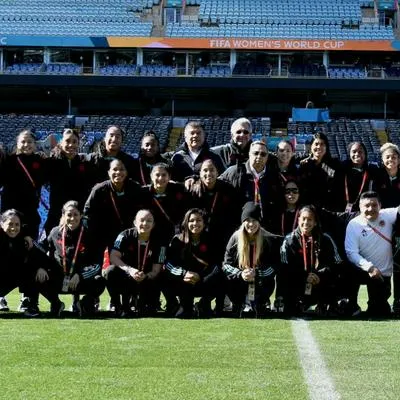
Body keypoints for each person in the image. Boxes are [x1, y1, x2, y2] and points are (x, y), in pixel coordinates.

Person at [44, 201, 106, 316]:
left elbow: (97, 264)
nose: (72, 218)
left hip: (80, 281)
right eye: (69, 215)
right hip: (60, 280)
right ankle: (56, 304)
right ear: (63, 216)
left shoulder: (90, 235)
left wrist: (80, 275)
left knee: (99, 281)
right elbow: (44, 252)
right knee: (39, 276)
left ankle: (84, 304)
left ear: (81, 215)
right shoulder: (54, 232)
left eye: (76, 215)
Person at [0, 209, 65, 317]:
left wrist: (40, 267)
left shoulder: (25, 241)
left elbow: (42, 257)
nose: (13, 228)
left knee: (35, 272)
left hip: (12, 278)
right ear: (2, 224)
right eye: (10, 224)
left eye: (17, 225)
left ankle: (37, 305)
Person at [280, 205, 342, 316]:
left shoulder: (326, 239)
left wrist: (320, 275)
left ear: (315, 222)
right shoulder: (289, 240)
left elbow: (336, 263)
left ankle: (327, 302)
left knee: (341, 273)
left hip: (320, 281)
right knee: (284, 277)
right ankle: (292, 302)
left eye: (309, 219)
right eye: (303, 219)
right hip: (299, 282)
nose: (306, 222)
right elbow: (285, 266)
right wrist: (304, 276)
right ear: (298, 219)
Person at [345, 191, 399, 317]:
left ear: (380, 206)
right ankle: (351, 304)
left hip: (382, 275)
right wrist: (369, 267)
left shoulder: (388, 215)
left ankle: (377, 304)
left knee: (379, 312)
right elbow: (351, 252)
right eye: (367, 206)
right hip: (363, 271)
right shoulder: (354, 224)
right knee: (347, 269)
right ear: (360, 207)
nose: (371, 209)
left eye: (374, 205)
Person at [103, 209, 166, 317]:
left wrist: (146, 275)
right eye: (141, 220)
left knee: (163, 276)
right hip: (127, 275)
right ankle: (118, 305)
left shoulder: (160, 241)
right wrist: (130, 270)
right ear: (135, 222)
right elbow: (113, 256)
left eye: (149, 221)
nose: (145, 224)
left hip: (146, 279)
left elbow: (157, 269)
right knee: (110, 271)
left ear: (153, 224)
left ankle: (151, 302)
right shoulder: (124, 235)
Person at [222, 202, 280, 317]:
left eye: (255, 220)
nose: (251, 224)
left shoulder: (268, 239)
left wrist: (257, 273)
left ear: (259, 222)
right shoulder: (235, 238)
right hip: (240, 281)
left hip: (259, 281)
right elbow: (226, 265)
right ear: (243, 222)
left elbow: (274, 266)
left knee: (268, 281)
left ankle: (261, 303)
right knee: (226, 278)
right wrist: (241, 274)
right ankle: (238, 303)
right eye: (248, 220)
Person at [164, 208, 222, 318]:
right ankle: (176, 305)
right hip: (184, 281)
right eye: (191, 220)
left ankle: (203, 304)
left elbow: (217, 265)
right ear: (186, 222)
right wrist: (184, 273)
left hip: (203, 281)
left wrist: (200, 276)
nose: (195, 223)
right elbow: (168, 263)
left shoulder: (211, 239)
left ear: (204, 223)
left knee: (221, 275)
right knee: (183, 315)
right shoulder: (178, 240)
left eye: (199, 220)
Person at [83, 159, 143, 258]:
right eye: (114, 169)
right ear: (109, 172)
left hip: (128, 232)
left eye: (121, 169)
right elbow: (88, 212)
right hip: (103, 232)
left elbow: (141, 209)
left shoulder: (135, 188)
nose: (118, 172)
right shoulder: (99, 189)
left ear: (126, 172)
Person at [219, 140, 281, 230]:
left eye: (263, 154)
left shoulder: (273, 176)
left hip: (264, 228)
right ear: (249, 154)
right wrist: (194, 178)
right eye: (255, 153)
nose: (259, 156)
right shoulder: (235, 172)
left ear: (267, 157)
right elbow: (213, 183)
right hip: (239, 228)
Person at [44, 129, 94, 235]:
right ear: (61, 143)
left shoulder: (85, 163)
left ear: (79, 143)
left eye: (74, 142)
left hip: (78, 217)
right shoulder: (52, 162)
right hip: (57, 216)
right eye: (67, 141)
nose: (71, 145)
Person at [0, 129, 46, 238]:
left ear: (35, 144)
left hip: (30, 213)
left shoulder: (40, 161)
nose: (26, 145)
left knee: (30, 244)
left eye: (30, 142)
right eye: (23, 142)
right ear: (17, 143)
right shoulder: (8, 160)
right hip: (10, 211)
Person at [140, 163, 188, 246]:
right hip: (151, 233)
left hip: (174, 232)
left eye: (164, 175)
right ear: (151, 176)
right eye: (157, 175)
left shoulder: (179, 189)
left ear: (169, 177)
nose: (160, 178)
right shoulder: (143, 192)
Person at [299, 132, 341, 211]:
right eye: (316, 144)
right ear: (311, 146)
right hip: (309, 207)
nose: (319, 147)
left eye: (322, 144)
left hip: (329, 207)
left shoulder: (335, 164)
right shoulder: (304, 164)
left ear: (326, 147)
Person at [336, 141, 376, 213]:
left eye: (360, 152)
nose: (357, 154)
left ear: (365, 154)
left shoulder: (372, 171)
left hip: (363, 211)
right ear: (349, 154)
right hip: (341, 211)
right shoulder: (341, 170)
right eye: (354, 152)